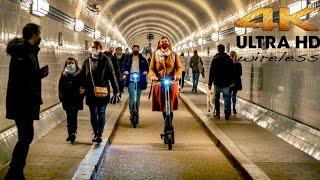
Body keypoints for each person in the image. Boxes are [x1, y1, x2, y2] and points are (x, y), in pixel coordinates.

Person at [5, 23, 49, 179]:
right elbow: (24, 80)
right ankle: (14, 172)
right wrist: (39, 74)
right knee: (26, 136)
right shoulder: (23, 52)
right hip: (23, 102)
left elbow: (26, 76)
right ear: (34, 36)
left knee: (25, 136)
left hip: (23, 101)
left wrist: (39, 73)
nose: (39, 38)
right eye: (39, 35)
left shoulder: (26, 52)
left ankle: (16, 172)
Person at [80, 41, 119, 143]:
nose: (95, 49)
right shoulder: (87, 61)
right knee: (93, 113)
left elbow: (112, 75)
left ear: (100, 49)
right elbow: (83, 76)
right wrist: (81, 88)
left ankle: (100, 132)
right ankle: (96, 132)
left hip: (103, 90)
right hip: (90, 91)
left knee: (101, 112)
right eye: (93, 47)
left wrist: (116, 90)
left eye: (97, 48)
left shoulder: (106, 60)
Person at [149, 36, 182, 139]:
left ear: (169, 43)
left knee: (170, 105)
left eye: (166, 41)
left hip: (171, 81)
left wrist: (177, 76)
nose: (165, 43)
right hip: (160, 82)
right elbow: (152, 68)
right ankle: (166, 124)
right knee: (163, 105)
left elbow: (178, 67)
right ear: (159, 43)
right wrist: (153, 77)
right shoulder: (156, 54)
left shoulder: (174, 54)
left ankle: (169, 124)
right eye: (163, 41)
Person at [58, 57, 84, 144]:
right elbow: (60, 86)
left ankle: (73, 132)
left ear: (75, 63)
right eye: (68, 63)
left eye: (72, 63)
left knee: (73, 115)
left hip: (76, 98)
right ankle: (71, 133)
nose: (70, 64)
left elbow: (83, 86)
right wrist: (61, 96)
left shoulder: (80, 73)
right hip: (67, 98)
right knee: (69, 116)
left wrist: (81, 95)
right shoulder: (64, 73)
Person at [122, 45, 149, 124]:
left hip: (140, 79)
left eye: (137, 49)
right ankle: (131, 113)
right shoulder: (127, 59)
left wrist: (145, 72)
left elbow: (146, 68)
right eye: (134, 49)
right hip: (131, 79)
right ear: (132, 50)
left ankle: (136, 112)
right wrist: (125, 71)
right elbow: (123, 67)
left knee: (137, 97)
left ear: (139, 50)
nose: (135, 51)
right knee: (131, 96)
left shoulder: (142, 59)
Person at [208, 44, 234, 120]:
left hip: (217, 82)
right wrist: (232, 81)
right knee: (226, 97)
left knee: (217, 98)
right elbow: (232, 71)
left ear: (218, 50)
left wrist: (210, 83)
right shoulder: (229, 59)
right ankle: (226, 113)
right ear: (224, 49)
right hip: (226, 82)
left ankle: (218, 113)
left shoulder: (215, 58)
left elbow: (211, 72)